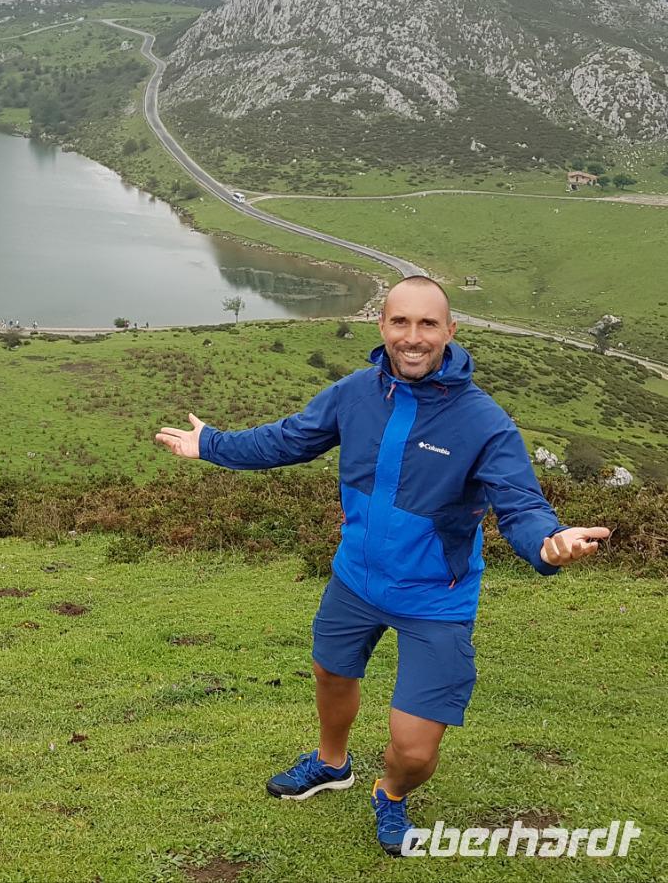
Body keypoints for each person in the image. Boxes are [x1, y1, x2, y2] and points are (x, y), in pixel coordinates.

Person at [154, 276, 610, 856]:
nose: (412, 338)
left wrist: (548, 544)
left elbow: (521, 505)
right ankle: (331, 762)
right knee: (330, 673)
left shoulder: (484, 422)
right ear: (383, 326)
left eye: (427, 325)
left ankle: (390, 794)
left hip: (434, 599)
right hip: (355, 581)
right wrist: (213, 445)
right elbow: (288, 439)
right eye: (401, 322)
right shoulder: (356, 393)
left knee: (415, 753)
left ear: (450, 331)